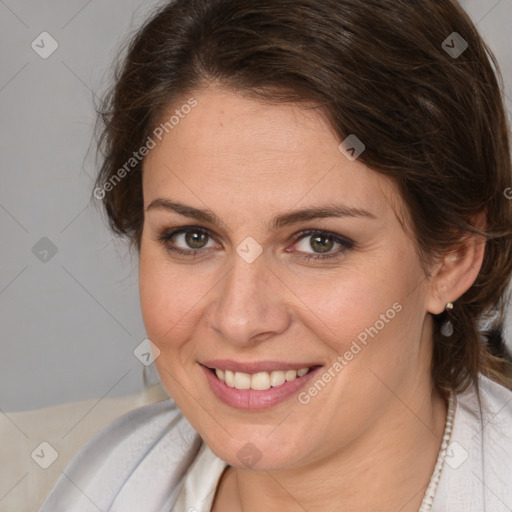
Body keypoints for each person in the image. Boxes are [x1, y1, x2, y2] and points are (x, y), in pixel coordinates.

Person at [38, 0, 512, 510]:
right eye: (193, 237)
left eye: (318, 242)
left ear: (452, 258)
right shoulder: (100, 480)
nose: (239, 320)